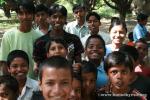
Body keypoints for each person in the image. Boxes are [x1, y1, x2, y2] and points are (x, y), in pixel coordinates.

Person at [33, 4, 84, 74]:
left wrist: (78, 66)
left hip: (68, 77)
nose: (58, 20)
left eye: (61, 17)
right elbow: (37, 66)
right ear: (48, 19)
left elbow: (79, 62)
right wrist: (37, 68)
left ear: (65, 18)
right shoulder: (40, 42)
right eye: (54, 17)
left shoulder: (74, 39)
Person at [0, 0, 42, 78]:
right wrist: (9, 83)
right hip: (14, 83)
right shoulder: (8, 35)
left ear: (33, 15)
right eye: (21, 13)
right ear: (17, 15)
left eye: (28, 13)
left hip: (34, 83)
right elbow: (3, 62)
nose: (25, 17)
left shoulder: (40, 37)